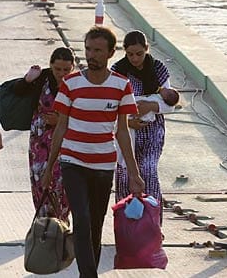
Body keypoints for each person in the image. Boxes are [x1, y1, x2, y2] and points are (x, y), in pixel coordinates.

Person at [41, 26, 145, 278]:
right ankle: (90, 275)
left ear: (110, 52)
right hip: (73, 160)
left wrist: (134, 173)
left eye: (98, 50)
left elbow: (122, 132)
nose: (91, 55)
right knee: (83, 218)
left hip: (104, 164)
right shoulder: (70, 83)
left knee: (96, 224)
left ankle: (87, 272)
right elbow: (61, 127)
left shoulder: (121, 85)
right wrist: (49, 168)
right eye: (88, 49)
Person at [111, 30, 176, 213]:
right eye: (130, 54)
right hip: (126, 129)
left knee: (148, 170)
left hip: (152, 129)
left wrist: (151, 106)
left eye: (139, 54)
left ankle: (153, 222)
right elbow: (111, 105)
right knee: (125, 175)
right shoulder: (117, 71)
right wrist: (128, 123)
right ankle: (126, 224)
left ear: (146, 49)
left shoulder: (158, 69)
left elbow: (170, 102)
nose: (135, 59)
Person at [13, 47, 75, 221]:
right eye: (57, 69)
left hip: (66, 141)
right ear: (51, 66)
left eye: (66, 70)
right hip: (39, 142)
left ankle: (60, 222)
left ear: (73, 68)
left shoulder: (78, 84)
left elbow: (84, 114)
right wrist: (27, 80)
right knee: (41, 182)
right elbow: (17, 92)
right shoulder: (43, 79)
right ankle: (44, 224)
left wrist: (62, 121)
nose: (61, 74)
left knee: (62, 184)